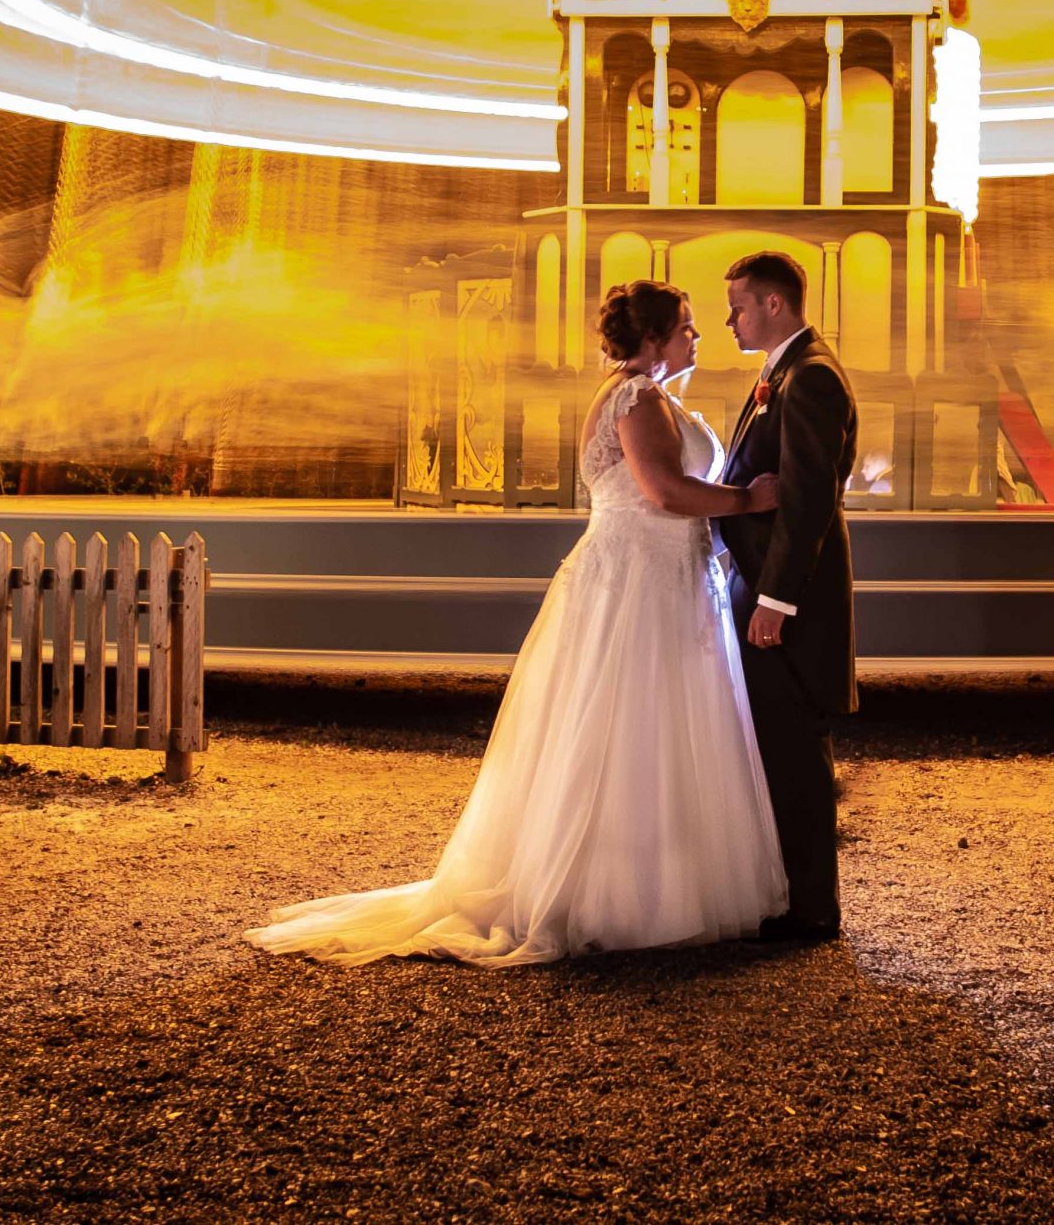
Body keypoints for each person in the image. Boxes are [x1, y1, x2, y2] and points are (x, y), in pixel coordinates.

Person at [242, 281, 786, 967]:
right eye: (686, 327)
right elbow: (665, 491)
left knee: (657, 726)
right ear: (652, 339)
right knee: (627, 722)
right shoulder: (637, 399)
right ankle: (617, 894)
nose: (697, 337)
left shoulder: (652, 396)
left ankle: (658, 881)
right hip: (638, 584)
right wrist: (747, 498)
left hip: (670, 578)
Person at [712, 250, 859, 942]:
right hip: (763, 586)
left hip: (787, 600)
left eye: (739, 305)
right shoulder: (786, 372)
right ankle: (792, 898)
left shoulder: (812, 378)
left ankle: (813, 913)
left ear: (774, 304)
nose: (731, 320)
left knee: (796, 750)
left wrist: (775, 601)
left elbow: (807, 503)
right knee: (774, 747)